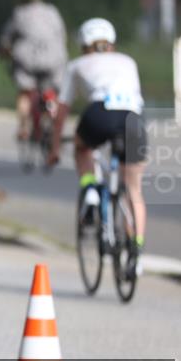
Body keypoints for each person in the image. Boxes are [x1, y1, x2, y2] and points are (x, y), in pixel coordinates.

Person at [48, 18, 147, 278]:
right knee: (134, 191)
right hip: (132, 119)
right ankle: (136, 254)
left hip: (99, 113)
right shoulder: (128, 61)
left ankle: (90, 187)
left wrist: (55, 148)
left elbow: (61, 111)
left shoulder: (77, 64)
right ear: (111, 43)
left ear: (83, 45)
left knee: (82, 148)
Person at [0, 0, 67, 140]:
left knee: (25, 92)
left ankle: (23, 127)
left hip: (27, 61)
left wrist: (6, 52)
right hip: (54, 59)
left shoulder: (19, 13)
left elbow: (6, 39)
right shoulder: (52, 11)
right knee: (51, 91)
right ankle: (52, 117)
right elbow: (61, 35)